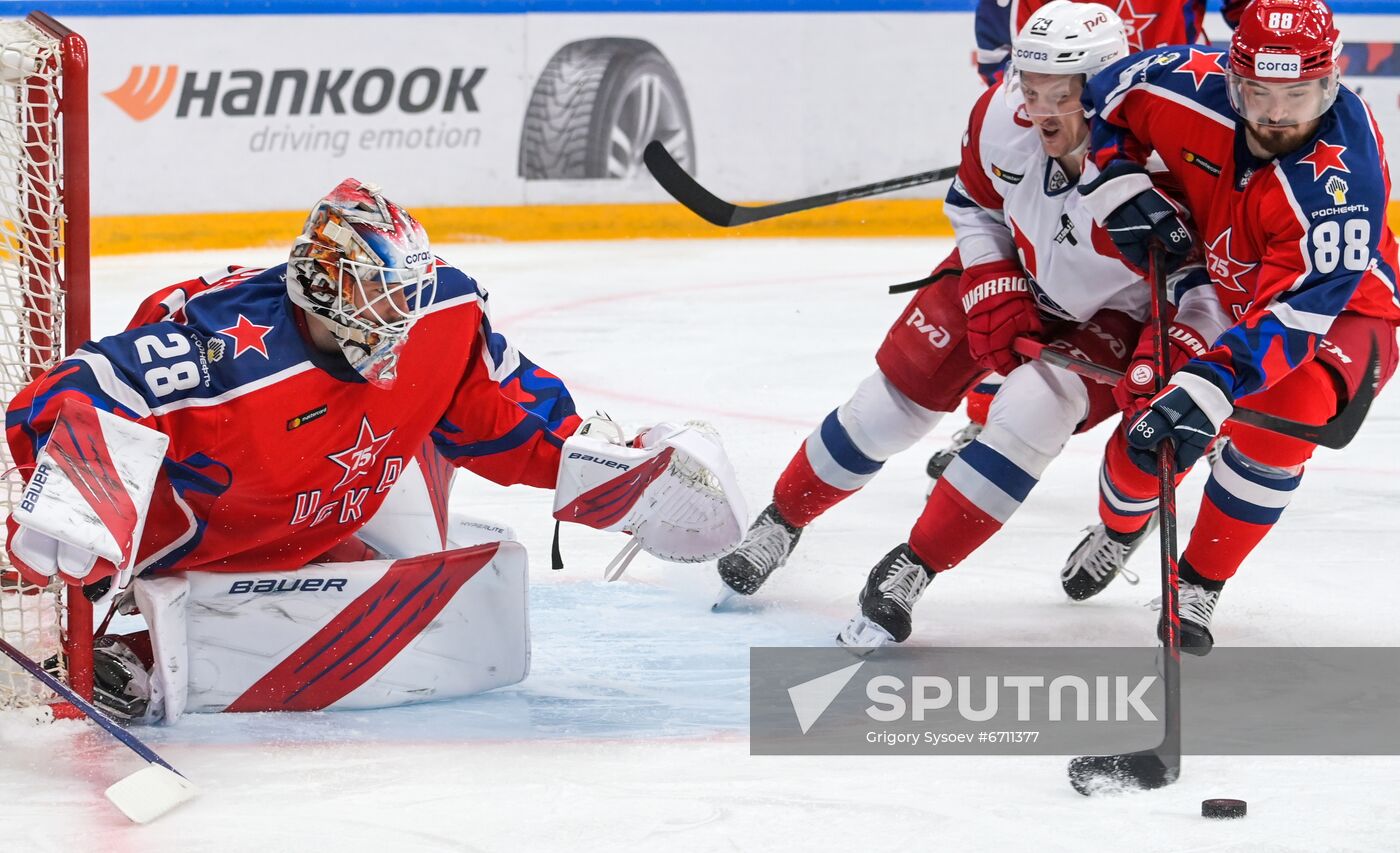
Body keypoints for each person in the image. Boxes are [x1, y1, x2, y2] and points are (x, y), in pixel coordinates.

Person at [5, 178, 744, 720]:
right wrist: (83, 468)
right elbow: (83, 385)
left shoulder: (442, 312)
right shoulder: (218, 346)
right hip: (220, 529)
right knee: (180, 623)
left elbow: (493, 406)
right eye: (375, 296)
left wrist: (603, 464)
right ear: (322, 283)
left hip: (342, 491)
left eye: (404, 296)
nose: (397, 321)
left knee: (441, 599)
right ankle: (137, 643)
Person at [717, 2, 1224, 650]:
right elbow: (973, 205)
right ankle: (780, 519)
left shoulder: (1175, 152)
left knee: (1033, 412)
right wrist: (992, 278)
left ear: (1106, 83)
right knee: (892, 405)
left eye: (1060, 94)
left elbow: (1207, 281)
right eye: (1030, 86)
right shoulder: (999, 114)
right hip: (1017, 259)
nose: (1040, 110)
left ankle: (911, 568)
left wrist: (1174, 346)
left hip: (1119, 308)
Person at [1064, 0, 1400, 652]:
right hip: (1221, 280)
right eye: (1259, 94)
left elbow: (1298, 316)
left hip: (1339, 308)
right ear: (1229, 77)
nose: (1277, 115)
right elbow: (1097, 103)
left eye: (1299, 95)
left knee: (1282, 414)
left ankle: (1199, 580)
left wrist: (1214, 383)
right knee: (1149, 424)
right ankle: (1120, 524)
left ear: (1330, 82)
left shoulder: (1343, 182)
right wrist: (1118, 182)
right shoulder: (1184, 80)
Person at [928, 0, 1247, 483]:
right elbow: (1000, 26)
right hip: (1068, 100)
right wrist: (1037, 103)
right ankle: (990, 419)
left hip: (1163, 120)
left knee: (1186, 294)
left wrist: (1245, 85)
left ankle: (1201, 412)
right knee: (1026, 281)